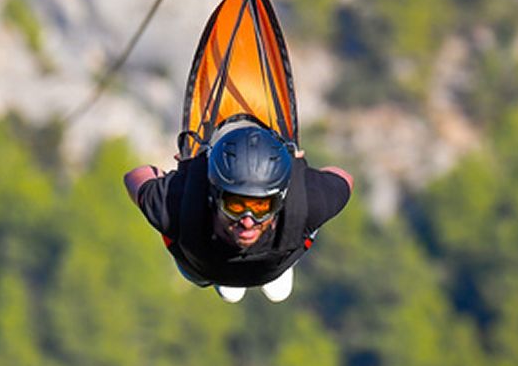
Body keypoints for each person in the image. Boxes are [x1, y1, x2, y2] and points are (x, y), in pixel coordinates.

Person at [124, 118, 353, 303]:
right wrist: (303, 173)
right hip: (205, 266)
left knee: (300, 220)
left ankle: (263, 268)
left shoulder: (173, 203)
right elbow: (342, 177)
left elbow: (136, 177)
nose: (248, 221)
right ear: (214, 197)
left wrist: (173, 178)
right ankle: (248, 272)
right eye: (236, 205)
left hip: (260, 263)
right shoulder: (177, 208)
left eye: (261, 207)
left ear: (280, 200)